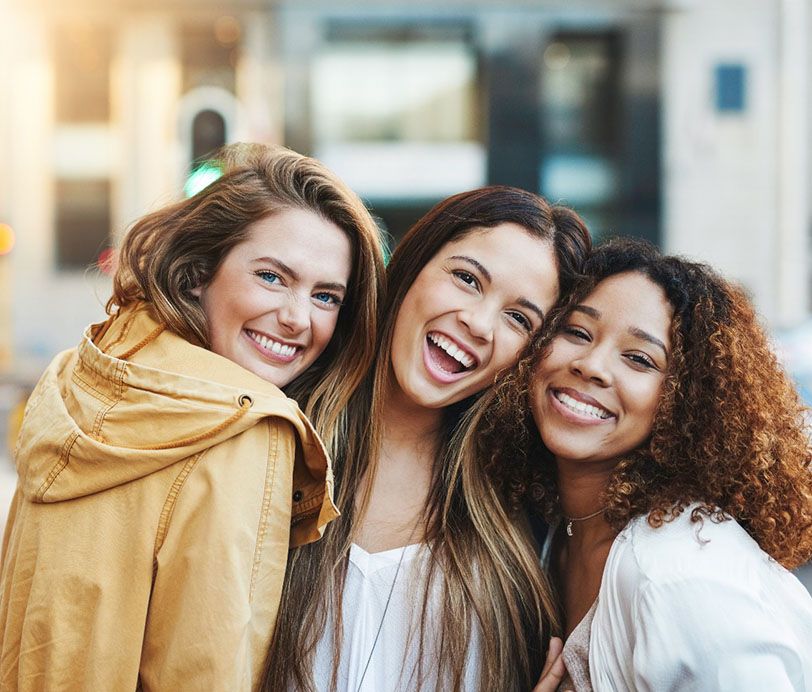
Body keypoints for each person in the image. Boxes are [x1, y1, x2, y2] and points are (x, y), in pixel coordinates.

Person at [0, 143, 386, 690]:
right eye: (272, 277)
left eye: (326, 297)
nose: (298, 319)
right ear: (198, 272)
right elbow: (207, 670)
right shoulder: (247, 430)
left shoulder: (77, 384)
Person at [262, 185, 592, 692]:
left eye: (518, 318)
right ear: (412, 265)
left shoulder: (524, 527)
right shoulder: (273, 435)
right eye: (466, 279)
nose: (479, 324)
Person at [467, 238, 812, 690]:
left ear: (687, 403)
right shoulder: (555, 531)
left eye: (639, 358)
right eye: (577, 332)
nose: (592, 365)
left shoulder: (679, 572)